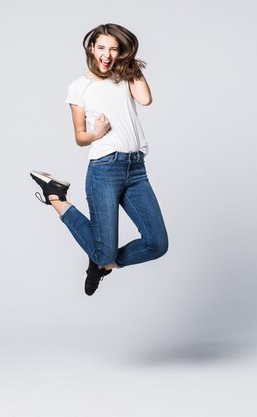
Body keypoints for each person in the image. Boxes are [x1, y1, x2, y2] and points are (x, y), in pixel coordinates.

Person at [30, 23, 168, 296]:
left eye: (114, 49)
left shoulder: (125, 77)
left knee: (157, 244)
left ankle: (103, 266)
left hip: (136, 169)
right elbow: (79, 137)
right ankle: (56, 197)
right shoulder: (79, 87)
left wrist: (129, 64)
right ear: (91, 48)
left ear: (121, 52)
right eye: (101, 48)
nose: (106, 55)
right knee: (103, 251)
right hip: (104, 170)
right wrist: (96, 132)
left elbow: (146, 99)